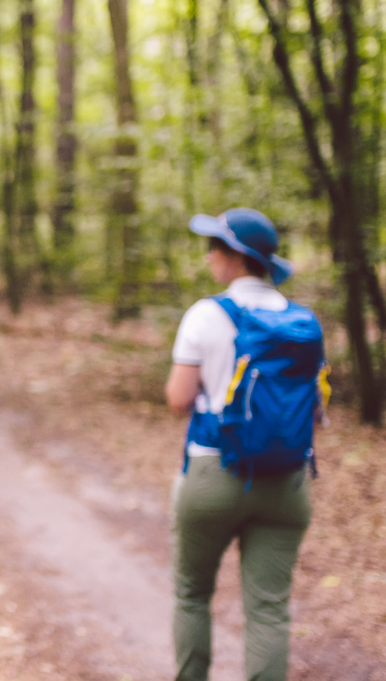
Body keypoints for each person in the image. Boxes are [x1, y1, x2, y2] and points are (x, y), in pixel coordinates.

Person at [164, 208, 324, 681]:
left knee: (192, 594)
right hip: (287, 481)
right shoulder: (303, 323)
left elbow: (178, 399)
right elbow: (312, 407)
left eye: (214, 247)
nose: (209, 256)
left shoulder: (206, 314)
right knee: (269, 611)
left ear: (235, 258)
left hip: (214, 472)